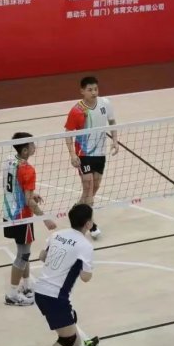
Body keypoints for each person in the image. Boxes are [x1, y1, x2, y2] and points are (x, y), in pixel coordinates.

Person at [34, 204, 99, 346]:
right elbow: (85, 277)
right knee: (67, 338)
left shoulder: (57, 234)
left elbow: (42, 256)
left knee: (70, 321)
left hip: (40, 291)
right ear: (88, 224)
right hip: (55, 297)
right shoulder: (85, 246)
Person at [3, 132, 57, 306]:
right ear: (25, 150)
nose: (35, 147)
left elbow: (16, 187)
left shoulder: (9, 161)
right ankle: (12, 295)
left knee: (23, 251)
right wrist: (45, 218)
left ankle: (26, 286)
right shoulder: (28, 169)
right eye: (32, 145)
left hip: (9, 213)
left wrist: (31, 194)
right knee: (23, 254)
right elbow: (28, 202)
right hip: (22, 216)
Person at [65, 76, 118, 240]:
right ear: (82, 91)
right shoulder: (77, 111)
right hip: (84, 154)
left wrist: (115, 141)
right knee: (88, 187)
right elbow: (68, 133)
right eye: (90, 90)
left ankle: (77, 209)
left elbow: (112, 121)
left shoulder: (105, 103)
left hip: (100, 154)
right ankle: (91, 224)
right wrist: (72, 154)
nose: (94, 92)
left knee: (94, 188)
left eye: (95, 89)